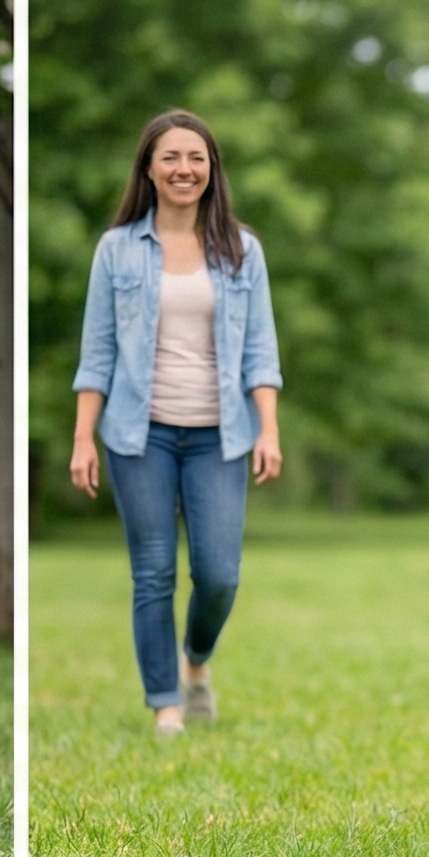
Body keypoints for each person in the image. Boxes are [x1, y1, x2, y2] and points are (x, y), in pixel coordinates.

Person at [69, 110, 283, 736]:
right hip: (141, 435)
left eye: (196, 157)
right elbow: (98, 352)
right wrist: (84, 436)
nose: (183, 168)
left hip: (220, 435)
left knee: (219, 574)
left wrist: (267, 427)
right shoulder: (117, 250)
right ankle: (165, 703)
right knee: (153, 573)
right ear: (149, 169)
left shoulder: (242, 250)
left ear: (212, 170)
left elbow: (260, 350)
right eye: (170, 157)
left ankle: (195, 662)